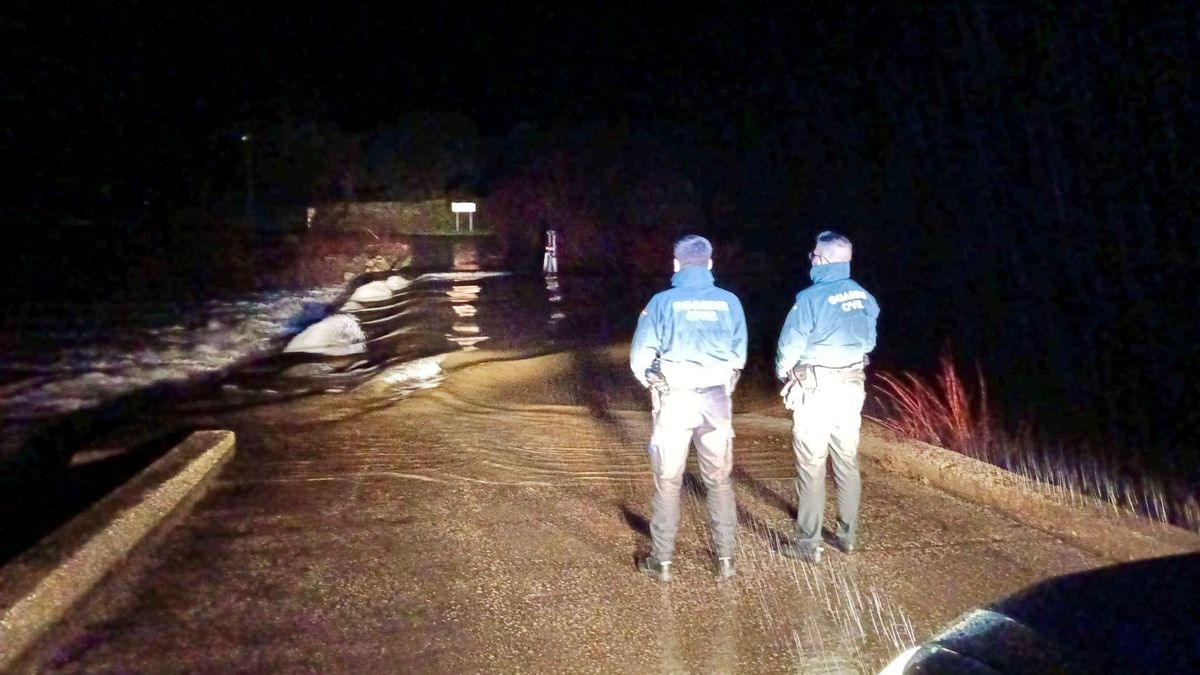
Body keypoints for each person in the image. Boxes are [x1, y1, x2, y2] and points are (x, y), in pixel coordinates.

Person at [630, 235, 747, 581]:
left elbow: (640, 356)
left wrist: (652, 379)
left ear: (675, 265)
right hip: (716, 400)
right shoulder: (731, 302)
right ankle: (726, 560)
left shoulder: (661, 303)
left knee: (668, 480)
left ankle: (662, 562)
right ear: (710, 264)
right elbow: (738, 355)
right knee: (719, 480)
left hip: (675, 399)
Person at [775, 231, 879, 563]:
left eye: (814, 256)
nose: (811, 261)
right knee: (847, 462)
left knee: (811, 464)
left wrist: (783, 372)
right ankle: (847, 536)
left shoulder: (809, 298)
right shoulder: (865, 297)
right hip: (851, 386)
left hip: (816, 390)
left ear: (824, 260)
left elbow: (788, 348)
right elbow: (869, 343)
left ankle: (809, 544)